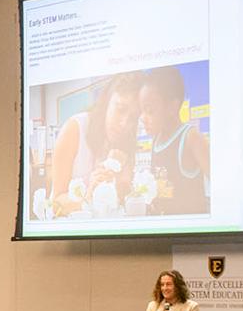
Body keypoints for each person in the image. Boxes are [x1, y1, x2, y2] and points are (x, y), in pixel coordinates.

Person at [48, 71, 141, 217]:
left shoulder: (126, 143)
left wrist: (123, 188)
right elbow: (56, 203)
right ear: (106, 102)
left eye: (133, 118)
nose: (124, 123)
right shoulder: (75, 128)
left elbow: (119, 202)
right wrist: (89, 196)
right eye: (120, 109)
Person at [139, 66, 210, 215]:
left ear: (172, 107)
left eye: (149, 110)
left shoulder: (191, 138)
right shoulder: (156, 141)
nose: (143, 118)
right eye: (141, 111)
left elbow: (222, 186)